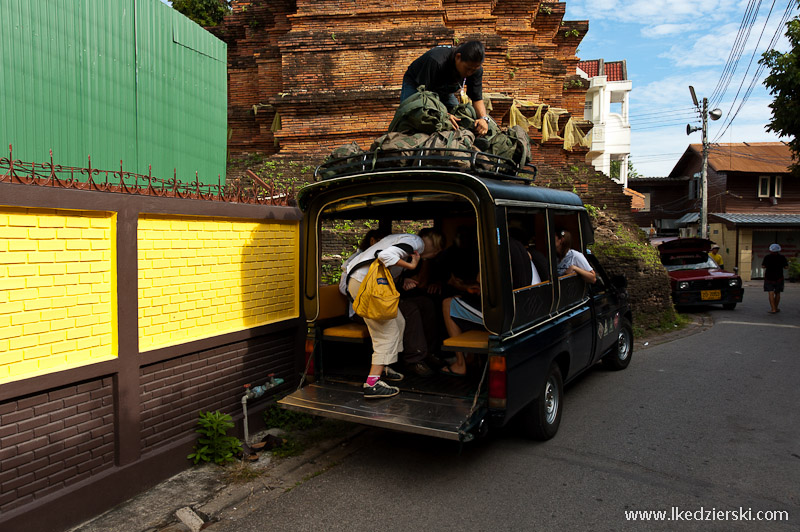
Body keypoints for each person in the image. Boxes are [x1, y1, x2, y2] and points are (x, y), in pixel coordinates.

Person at [345, 229, 444, 398]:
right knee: (386, 333)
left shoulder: (405, 241)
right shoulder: (415, 243)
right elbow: (385, 256)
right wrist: (411, 265)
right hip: (367, 284)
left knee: (399, 321)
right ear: (434, 247)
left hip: (364, 282)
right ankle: (372, 384)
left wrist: (403, 279)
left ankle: (384, 367)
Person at [401, 41, 492, 136]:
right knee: (415, 115)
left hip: (444, 90)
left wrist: (483, 119)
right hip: (418, 86)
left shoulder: (475, 69)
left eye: (473, 70)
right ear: (458, 57)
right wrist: (444, 115)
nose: (469, 73)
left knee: (460, 117)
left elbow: (477, 98)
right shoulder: (436, 60)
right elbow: (425, 98)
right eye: (467, 69)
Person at [762, 243, 788, 314]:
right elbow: (786, 267)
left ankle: (773, 309)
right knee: (778, 293)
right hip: (779, 277)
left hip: (769, 277)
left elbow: (763, 266)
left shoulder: (767, 257)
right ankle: (776, 308)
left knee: (770, 292)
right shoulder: (782, 257)